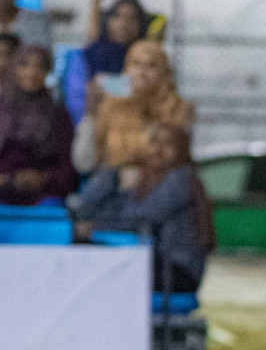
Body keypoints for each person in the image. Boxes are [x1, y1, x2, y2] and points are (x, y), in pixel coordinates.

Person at [76, 123, 214, 293]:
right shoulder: (146, 180)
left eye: (168, 144)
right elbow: (89, 206)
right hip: (156, 265)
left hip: (177, 271)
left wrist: (95, 227)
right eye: (154, 142)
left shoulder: (181, 178)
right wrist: (113, 171)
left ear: (181, 149)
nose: (158, 150)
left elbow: (142, 218)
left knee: (107, 272)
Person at [0, 44, 76, 206]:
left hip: (41, 193)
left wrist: (43, 179)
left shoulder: (58, 114)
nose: (32, 73)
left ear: (47, 72)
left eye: (40, 67)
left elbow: (68, 167)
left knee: (51, 210)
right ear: (14, 68)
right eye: (24, 65)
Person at [90, 39, 194, 171]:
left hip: (159, 180)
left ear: (163, 71)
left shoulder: (177, 108)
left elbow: (168, 155)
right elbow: (97, 151)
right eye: (136, 64)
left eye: (151, 66)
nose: (142, 72)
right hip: (116, 178)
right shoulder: (112, 104)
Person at [64, 0, 145, 124]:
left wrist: (105, 84)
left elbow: (149, 91)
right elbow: (77, 100)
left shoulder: (145, 57)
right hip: (96, 127)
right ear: (107, 20)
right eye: (117, 16)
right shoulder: (85, 56)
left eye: (132, 19)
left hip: (135, 130)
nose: (123, 24)